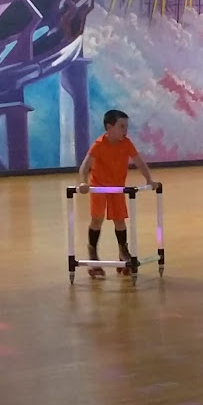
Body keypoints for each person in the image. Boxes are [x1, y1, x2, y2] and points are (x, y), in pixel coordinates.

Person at [76, 108, 157, 278]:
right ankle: (93, 253)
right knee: (97, 219)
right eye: (121, 126)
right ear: (109, 127)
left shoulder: (126, 143)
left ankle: (123, 251)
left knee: (120, 220)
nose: (125, 130)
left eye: (126, 126)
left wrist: (149, 180)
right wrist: (83, 182)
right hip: (99, 186)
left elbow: (140, 163)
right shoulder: (99, 145)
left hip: (117, 187)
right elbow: (85, 167)